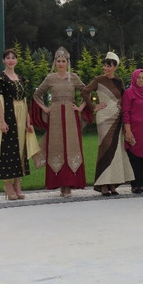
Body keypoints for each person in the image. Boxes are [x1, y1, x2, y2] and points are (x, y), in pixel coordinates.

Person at [32, 47, 88, 197]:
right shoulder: (50, 78)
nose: (61, 63)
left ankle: (69, 184)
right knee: (57, 147)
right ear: (55, 62)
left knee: (71, 146)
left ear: (67, 62)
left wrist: (81, 107)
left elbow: (86, 91)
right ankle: (60, 183)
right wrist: (45, 108)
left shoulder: (74, 77)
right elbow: (37, 95)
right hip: (55, 116)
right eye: (59, 61)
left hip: (71, 115)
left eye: (64, 61)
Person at [81, 51, 134, 196]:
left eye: (109, 65)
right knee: (104, 148)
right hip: (104, 118)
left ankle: (112, 183)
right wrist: (94, 107)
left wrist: (121, 106)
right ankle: (102, 184)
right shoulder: (98, 80)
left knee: (116, 150)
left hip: (117, 118)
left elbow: (124, 98)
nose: (106, 68)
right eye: (105, 65)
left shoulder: (119, 81)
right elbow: (84, 92)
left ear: (115, 67)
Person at [0, 49, 39, 200]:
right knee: (8, 148)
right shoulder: (0, 78)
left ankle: (18, 183)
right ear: (4, 61)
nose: (11, 60)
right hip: (9, 114)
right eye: (8, 58)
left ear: (16, 60)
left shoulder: (21, 79)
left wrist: (28, 120)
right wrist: (2, 121)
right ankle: (7, 184)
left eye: (13, 58)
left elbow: (24, 100)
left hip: (22, 114)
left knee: (20, 148)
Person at [122, 68, 143, 194]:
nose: (141, 80)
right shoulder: (129, 93)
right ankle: (135, 185)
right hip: (134, 129)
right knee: (134, 158)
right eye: (138, 77)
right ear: (134, 79)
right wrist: (128, 131)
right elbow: (126, 113)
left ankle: (141, 184)